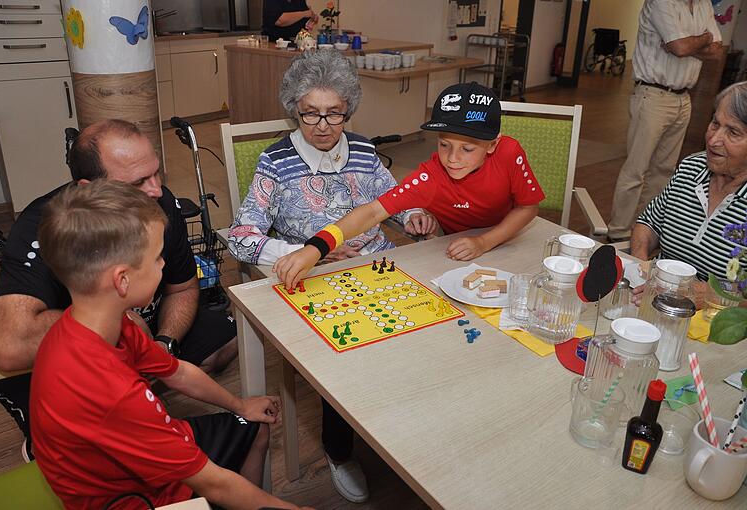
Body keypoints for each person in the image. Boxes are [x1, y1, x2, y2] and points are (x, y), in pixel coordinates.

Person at [29, 180, 307, 510]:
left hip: (126, 462)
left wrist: (240, 405)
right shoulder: (114, 391)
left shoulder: (106, 323)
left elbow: (177, 372)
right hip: (129, 499)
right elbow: (214, 484)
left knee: (253, 426)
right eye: (157, 257)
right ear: (122, 280)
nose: (165, 264)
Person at [229, 49, 425, 503]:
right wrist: (305, 254)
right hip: (317, 282)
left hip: (378, 266)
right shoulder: (276, 162)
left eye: (333, 114)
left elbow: (392, 199)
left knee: (421, 334)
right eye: (310, 114)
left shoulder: (364, 151)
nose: (322, 125)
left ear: (348, 110)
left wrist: (413, 214)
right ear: (294, 110)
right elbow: (241, 237)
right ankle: (340, 451)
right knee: (348, 358)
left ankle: (400, 429)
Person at [0, 120, 238, 461]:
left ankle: (137, 389)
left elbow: (182, 287)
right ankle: (44, 441)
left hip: (139, 340)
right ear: (90, 188)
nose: (156, 189)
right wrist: (109, 322)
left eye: (156, 173)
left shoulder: (160, 202)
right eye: (137, 182)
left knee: (231, 336)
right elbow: (10, 345)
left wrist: (163, 345)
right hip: (62, 362)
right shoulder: (43, 224)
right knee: (89, 450)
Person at [274, 81, 546, 290]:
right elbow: (371, 213)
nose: (452, 159)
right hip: (454, 248)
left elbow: (528, 207)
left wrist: (484, 241)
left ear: (493, 144)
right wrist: (314, 248)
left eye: (467, 149)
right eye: (444, 145)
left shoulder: (509, 152)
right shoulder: (431, 175)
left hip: (506, 238)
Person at [607, 0, 722, 241]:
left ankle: (644, 230)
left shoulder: (703, 5)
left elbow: (717, 50)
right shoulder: (662, 2)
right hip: (653, 94)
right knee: (636, 170)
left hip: (683, 97)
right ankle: (618, 234)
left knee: (664, 171)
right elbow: (679, 47)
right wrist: (702, 39)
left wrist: (688, 44)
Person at [631, 81, 747, 307]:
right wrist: (640, 260)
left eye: (732, 132)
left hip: (716, 326)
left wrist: (712, 294)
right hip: (656, 303)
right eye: (715, 123)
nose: (713, 140)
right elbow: (648, 223)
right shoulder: (691, 168)